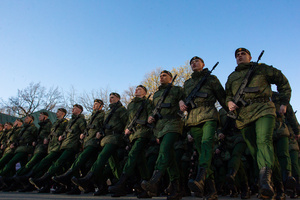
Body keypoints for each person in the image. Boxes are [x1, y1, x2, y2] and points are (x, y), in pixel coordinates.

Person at [225, 48, 291, 199]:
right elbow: (228, 94)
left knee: (263, 142)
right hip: (244, 116)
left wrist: (284, 102)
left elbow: (282, 82)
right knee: (257, 152)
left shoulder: (262, 69)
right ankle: (277, 186)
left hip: (263, 109)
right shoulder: (232, 77)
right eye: (237, 55)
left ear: (250, 56)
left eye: (243, 54)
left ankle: (265, 182)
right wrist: (229, 102)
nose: (240, 56)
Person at [179, 56, 227, 200]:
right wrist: (181, 102)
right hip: (193, 119)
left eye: (197, 61)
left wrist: (234, 112)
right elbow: (181, 98)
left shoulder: (211, 79)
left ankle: (200, 179)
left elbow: (222, 96)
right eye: (191, 62)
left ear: (203, 64)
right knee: (202, 152)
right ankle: (210, 190)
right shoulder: (187, 83)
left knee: (206, 145)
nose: (194, 63)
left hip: (209, 115)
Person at [72, 93, 128, 196]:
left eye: (113, 97)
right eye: (110, 97)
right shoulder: (108, 112)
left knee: (102, 157)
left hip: (115, 138)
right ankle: (120, 187)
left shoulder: (122, 110)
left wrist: (126, 139)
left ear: (118, 98)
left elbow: (126, 123)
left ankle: (88, 178)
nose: (110, 99)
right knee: (114, 164)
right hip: (106, 139)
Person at [141, 70, 184, 200]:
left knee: (164, 150)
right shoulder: (156, 94)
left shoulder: (177, 89)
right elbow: (155, 109)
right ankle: (177, 189)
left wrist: (182, 102)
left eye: (164, 75)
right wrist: (151, 117)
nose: (161, 77)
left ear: (170, 78)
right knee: (169, 157)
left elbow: (184, 98)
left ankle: (154, 181)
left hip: (173, 123)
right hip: (160, 126)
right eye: (160, 76)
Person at [29, 104, 86, 192]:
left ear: (80, 110)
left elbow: (84, 132)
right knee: (69, 165)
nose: (73, 109)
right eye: (73, 107)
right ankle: (71, 186)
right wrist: (61, 137)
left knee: (59, 162)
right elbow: (65, 132)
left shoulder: (80, 120)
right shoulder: (70, 121)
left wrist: (81, 145)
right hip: (63, 145)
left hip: (72, 145)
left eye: (75, 108)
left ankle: (42, 178)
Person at [108, 85, 153, 197]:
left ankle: (121, 182)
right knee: (141, 161)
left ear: (145, 93)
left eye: (140, 89)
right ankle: (147, 187)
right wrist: (127, 129)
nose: (137, 90)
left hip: (143, 132)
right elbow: (128, 120)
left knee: (132, 156)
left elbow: (151, 116)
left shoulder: (147, 102)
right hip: (133, 135)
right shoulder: (131, 104)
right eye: (136, 88)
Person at [52, 99, 105, 194]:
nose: (94, 105)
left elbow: (102, 126)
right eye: (94, 104)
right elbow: (86, 130)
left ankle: (67, 175)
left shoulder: (101, 115)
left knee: (81, 160)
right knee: (89, 165)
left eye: (96, 104)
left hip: (92, 142)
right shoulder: (91, 116)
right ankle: (93, 186)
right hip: (86, 142)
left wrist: (99, 133)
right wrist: (83, 136)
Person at [14, 108, 68, 192]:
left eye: (41, 116)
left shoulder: (59, 123)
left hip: (49, 147)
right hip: (47, 146)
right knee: (48, 166)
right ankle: (42, 184)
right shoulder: (51, 124)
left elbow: (64, 132)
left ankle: (24, 176)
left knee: (42, 163)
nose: (57, 113)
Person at [0, 115, 37, 188]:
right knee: (22, 165)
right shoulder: (23, 129)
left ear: (31, 120)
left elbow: (35, 137)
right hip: (19, 148)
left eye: (27, 118)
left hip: (25, 148)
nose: (25, 119)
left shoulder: (33, 128)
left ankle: (7, 178)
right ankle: (21, 184)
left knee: (11, 162)